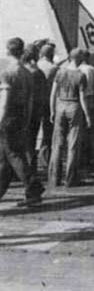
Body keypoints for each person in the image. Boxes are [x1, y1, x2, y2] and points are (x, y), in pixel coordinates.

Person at [0, 38, 44, 206]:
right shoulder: (27, 72)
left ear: (7, 50)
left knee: (13, 156)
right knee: (5, 158)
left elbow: (4, 100)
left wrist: (0, 120)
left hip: (8, 116)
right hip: (20, 117)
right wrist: (26, 119)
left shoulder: (7, 72)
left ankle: (34, 188)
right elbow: (30, 99)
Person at [48, 48, 92, 188]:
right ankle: (71, 179)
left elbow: (53, 93)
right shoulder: (81, 75)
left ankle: (54, 178)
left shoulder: (60, 72)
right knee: (73, 145)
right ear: (79, 59)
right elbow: (82, 98)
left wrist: (52, 110)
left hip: (60, 105)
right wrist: (87, 115)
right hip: (74, 107)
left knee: (57, 144)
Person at [21, 44, 46, 173]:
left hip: (21, 112)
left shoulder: (21, 71)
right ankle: (31, 170)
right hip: (34, 112)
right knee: (30, 142)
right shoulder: (38, 73)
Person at [37, 44, 58, 169]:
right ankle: (45, 158)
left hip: (34, 102)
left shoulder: (36, 66)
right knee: (47, 132)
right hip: (47, 103)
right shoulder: (54, 67)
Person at [79, 50, 94, 166]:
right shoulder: (91, 69)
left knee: (80, 130)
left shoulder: (75, 69)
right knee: (92, 129)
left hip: (78, 101)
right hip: (90, 99)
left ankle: (82, 156)